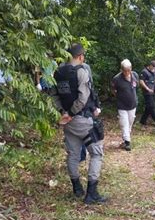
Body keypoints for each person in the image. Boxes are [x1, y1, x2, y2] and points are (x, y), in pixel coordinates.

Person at [50, 43, 106, 204]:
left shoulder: (58, 72)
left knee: (73, 154)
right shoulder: (81, 71)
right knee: (96, 153)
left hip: (68, 123)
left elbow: (54, 95)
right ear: (81, 56)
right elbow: (83, 98)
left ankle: (77, 188)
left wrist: (64, 113)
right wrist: (72, 113)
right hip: (82, 120)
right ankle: (91, 193)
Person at [111, 59, 138, 151]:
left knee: (130, 122)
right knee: (124, 123)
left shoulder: (135, 75)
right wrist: (120, 96)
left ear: (131, 68)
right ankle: (127, 142)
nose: (127, 72)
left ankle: (126, 137)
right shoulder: (116, 79)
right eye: (124, 70)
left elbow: (135, 87)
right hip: (122, 105)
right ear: (121, 70)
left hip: (133, 105)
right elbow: (113, 90)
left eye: (128, 70)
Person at [139, 61, 155, 126]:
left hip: (153, 91)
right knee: (151, 106)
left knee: (148, 107)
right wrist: (147, 89)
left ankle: (142, 121)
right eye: (153, 67)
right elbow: (141, 81)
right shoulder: (144, 72)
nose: (154, 69)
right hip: (147, 92)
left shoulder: (154, 72)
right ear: (150, 65)